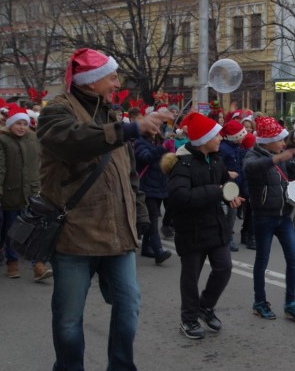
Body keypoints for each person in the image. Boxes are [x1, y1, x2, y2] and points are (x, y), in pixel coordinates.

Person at [36, 48, 170, 370]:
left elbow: (129, 175)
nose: (117, 83)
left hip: (118, 235)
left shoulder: (113, 114)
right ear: (92, 81)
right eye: (112, 76)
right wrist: (132, 128)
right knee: (68, 319)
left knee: (128, 307)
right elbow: (76, 140)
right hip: (75, 236)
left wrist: (139, 219)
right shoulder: (56, 111)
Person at [162, 112, 244, 340]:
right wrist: (217, 192)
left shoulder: (216, 159)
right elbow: (179, 197)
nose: (220, 138)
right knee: (191, 277)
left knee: (224, 268)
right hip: (191, 229)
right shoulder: (182, 164)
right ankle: (188, 319)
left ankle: (205, 306)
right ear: (203, 139)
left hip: (215, 225)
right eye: (216, 135)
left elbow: (223, 182)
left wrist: (230, 195)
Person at [244, 116, 295, 322]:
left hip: (283, 216)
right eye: (280, 140)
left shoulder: (280, 155)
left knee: (294, 258)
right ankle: (259, 302)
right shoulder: (252, 155)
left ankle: (290, 303)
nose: (284, 144)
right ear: (267, 141)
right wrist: (278, 158)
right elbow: (251, 169)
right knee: (262, 261)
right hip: (263, 218)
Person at [0, 104, 52, 281]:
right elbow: (1, 169)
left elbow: (41, 163)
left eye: (24, 123)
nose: (21, 127)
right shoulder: (3, 140)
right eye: (18, 123)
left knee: (34, 231)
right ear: (10, 124)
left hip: (32, 192)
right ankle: (12, 263)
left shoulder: (33, 138)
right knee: (14, 231)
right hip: (10, 195)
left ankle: (38, 266)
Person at [133, 131, 173, 264]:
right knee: (152, 219)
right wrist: (163, 148)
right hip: (146, 187)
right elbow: (147, 157)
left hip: (159, 186)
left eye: (157, 125)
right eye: (153, 125)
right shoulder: (139, 142)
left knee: (152, 217)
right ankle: (158, 251)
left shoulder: (158, 141)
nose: (156, 128)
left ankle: (146, 247)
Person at [218, 120, 247, 252]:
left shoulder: (236, 148)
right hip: (226, 186)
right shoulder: (224, 149)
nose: (244, 137)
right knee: (227, 214)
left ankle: (227, 237)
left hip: (235, 186)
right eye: (241, 135)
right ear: (235, 136)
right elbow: (218, 166)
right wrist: (227, 174)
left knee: (232, 213)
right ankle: (225, 238)